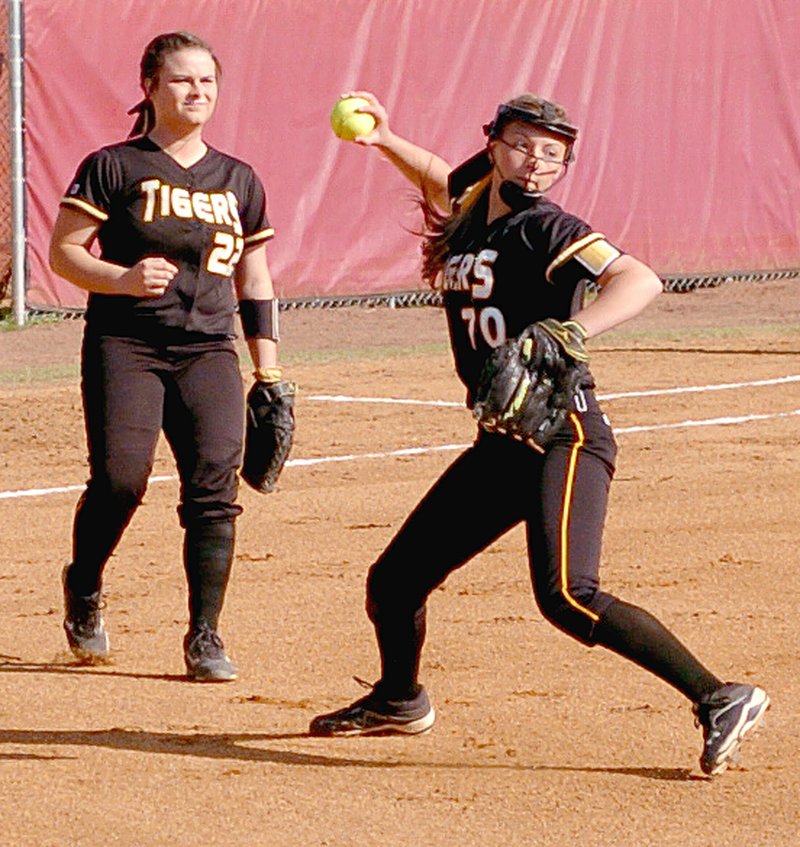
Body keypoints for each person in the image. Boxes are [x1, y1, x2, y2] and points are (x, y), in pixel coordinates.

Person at [309, 90, 770, 777]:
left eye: (552, 154)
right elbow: (442, 179)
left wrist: (575, 328)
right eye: (523, 144)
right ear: (493, 143)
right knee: (396, 580)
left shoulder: (543, 227)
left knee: (568, 593)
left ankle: (718, 695)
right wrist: (385, 139)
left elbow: (638, 277)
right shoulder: (476, 204)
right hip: (503, 440)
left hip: (565, 432)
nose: (535, 162)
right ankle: (399, 699)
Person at [49, 31, 286, 681]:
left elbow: (255, 279)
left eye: (208, 81)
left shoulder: (239, 179)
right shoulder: (115, 166)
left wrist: (269, 370)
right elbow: (64, 252)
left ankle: (204, 633)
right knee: (121, 479)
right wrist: (121, 278)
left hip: (209, 347)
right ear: (149, 87)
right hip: (126, 342)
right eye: (183, 80)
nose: (197, 91)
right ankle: (86, 582)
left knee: (214, 484)